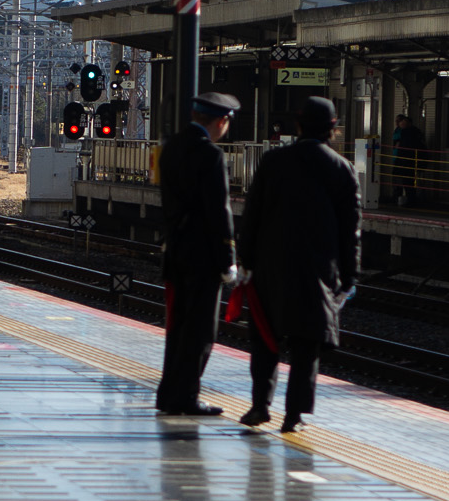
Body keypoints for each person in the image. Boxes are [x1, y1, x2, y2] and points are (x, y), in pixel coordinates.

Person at [234, 93, 361, 435]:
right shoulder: (343, 169)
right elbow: (350, 231)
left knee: (265, 338)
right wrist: (350, 275)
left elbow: (252, 215)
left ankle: (260, 405)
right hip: (318, 270)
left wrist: (245, 258)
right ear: (333, 128)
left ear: (298, 124)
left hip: (270, 265)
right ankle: (294, 416)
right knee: (306, 344)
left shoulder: (273, 162)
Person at [154, 89, 238, 419]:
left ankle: (168, 393)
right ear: (220, 121)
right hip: (203, 257)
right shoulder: (210, 155)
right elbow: (220, 212)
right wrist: (227, 258)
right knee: (201, 330)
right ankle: (185, 395)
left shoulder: (170, 148)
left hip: (175, 251)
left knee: (177, 327)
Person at [388, 111, 420, 207]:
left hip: (404, 160)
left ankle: (404, 199)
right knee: (404, 180)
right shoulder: (404, 132)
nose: (398, 124)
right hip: (401, 159)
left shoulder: (408, 133)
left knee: (405, 180)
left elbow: (402, 145)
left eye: (400, 122)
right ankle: (401, 198)